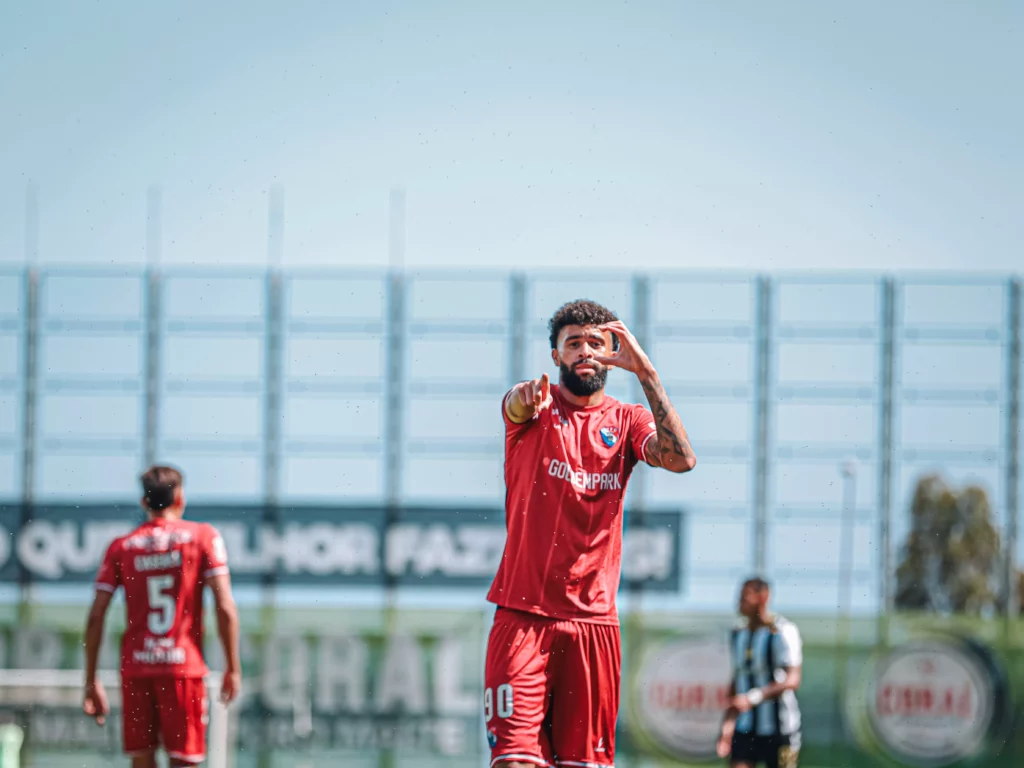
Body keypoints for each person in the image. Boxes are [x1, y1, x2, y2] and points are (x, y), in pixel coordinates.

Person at [485, 299, 697, 768]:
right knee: (516, 762)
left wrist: (648, 375)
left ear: (612, 353)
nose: (585, 351)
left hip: (594, 625)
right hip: (524, 618)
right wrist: (523, 398)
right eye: (573, 343)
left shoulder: (626, 422)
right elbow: (516, 404)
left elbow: (681, 459)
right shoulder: (535, 409)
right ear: (556, 355)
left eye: (596, 343)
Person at [82, 465, 241, 768]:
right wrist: (233, 666)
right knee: (184, 761)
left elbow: (95, 616)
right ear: (180, 497)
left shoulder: (121, 546)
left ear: (144, 502)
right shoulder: (202, 536)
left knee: (142, 761)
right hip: (182, 668)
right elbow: (225, 605)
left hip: (136, 668)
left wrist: (90, 680)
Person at [717, 578, 803, 768]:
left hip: (780, 729)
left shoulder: (782, 631)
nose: (739, 602)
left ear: (763, 598)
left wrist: (753, 697)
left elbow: (793, 679)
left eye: (745, 596)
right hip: (745, 728)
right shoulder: (738, 633)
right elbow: (737, 681)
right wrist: (727, 726)